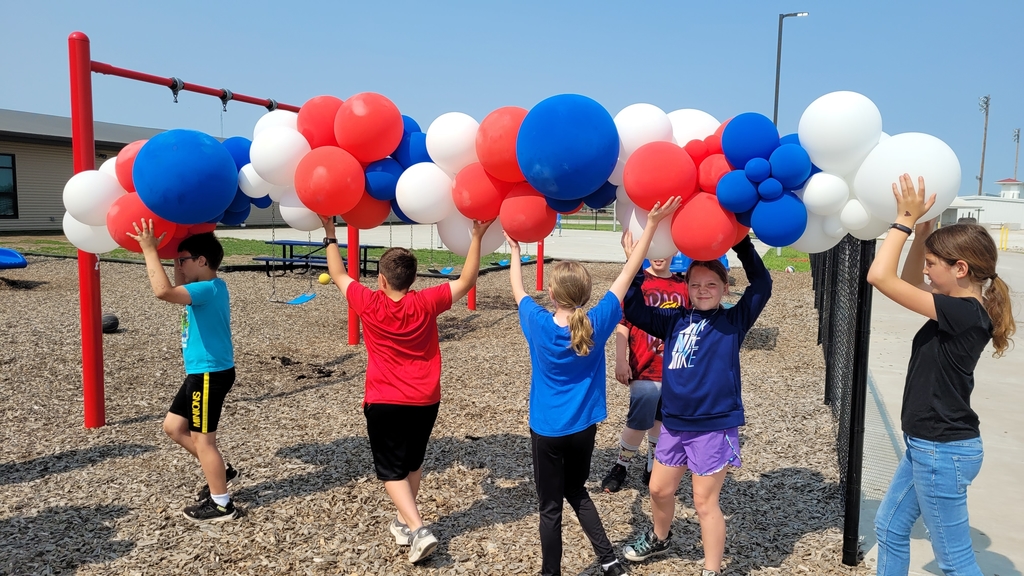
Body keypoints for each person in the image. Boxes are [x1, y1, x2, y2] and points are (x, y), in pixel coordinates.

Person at [508, 196, 683, 576]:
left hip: (547, 430)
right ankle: (608, 559)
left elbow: (518, 292)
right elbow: (628, 275)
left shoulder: (537, 322)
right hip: (584, 429)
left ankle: (550, 573)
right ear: (587, 295)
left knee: (550, 508)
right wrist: (650, 226)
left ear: (552, 295)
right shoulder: (598, 320)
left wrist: (515, 251)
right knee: (577, 492)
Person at [320, 215, 491, 564]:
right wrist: (476, 237)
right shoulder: (425, 302)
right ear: (412, 280)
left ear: (381, 279)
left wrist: (330, 233)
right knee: (412, 462)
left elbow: (338, 274)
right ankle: (403, 521)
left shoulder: (369, 302)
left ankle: (418, 527)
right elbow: (467, 280)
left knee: (391, 470)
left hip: (385, 400)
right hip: (425, 398)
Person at [867, 174, 1015, 576]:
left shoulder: (964, 313)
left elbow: (881, 277)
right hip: (927, 445)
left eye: (935, 264)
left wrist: (902, 221)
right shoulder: (958, 305)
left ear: (961, 268)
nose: (928, 272)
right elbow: (912, 281)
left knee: (955, 561)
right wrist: (922, 234)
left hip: (942, 451)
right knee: (889, 528)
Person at [620, 232, 772, 576]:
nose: (703, 290)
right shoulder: (675, 320)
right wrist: (634, 264)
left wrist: (742, 243)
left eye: (711, 284)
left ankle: (711, 570)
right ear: (686, 288)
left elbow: (762, 284)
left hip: (712, 426)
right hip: (674, 423)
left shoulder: (733, 321)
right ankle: (660, 538)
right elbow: (631, 306)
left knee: (705, 502)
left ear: (725, 289)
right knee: (658, 489)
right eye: (696, 284)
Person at [127, 221, 239, 523]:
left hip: (209, 374)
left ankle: (221, 506)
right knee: (174, 428)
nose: (179, 265)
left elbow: (162, 291)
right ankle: (222, 472)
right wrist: (176, 247)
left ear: (202, 262)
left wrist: (149, 249)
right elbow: (176, 284)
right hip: (201, 373)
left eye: (183, 260)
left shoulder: (205, 289)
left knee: (205, 442)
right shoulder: (208, 285)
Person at [601, 243, 688, 493]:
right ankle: (621, 465)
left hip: (673, 369)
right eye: (655, 251)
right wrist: (620, 360)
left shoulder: (684, 287)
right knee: (638, 420)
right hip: (643, 366)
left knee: (661, 420)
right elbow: (623, 324)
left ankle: (652, 465)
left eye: (665, 251)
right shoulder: (639, 282)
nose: (659, 257)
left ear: (674, 252)